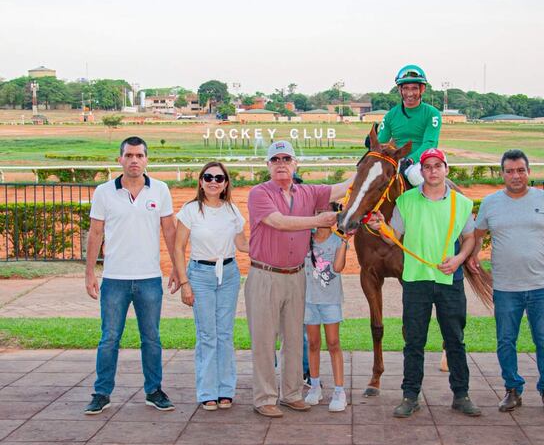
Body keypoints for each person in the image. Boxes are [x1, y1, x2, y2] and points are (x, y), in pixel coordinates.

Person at [367, 148, 481, 418]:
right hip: (416, 280)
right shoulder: (406, 201)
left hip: (449, 278)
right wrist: (380, 227)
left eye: (437, 166)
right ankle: (410, 396)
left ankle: (461, 395)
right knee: (414, 342)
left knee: (455, 339)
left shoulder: (460, 203)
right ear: (422, 171)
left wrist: (460, 259)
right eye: (427, 166)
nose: (432, 171)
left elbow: (469, 238)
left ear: (446, 170)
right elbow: (393, 236)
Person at [246, 140, 351, 418]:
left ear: (295, 164)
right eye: (276, 159)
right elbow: (278, 221)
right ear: (268, 165)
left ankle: (292, 393)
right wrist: (318, 221)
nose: (281, 163)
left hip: (296, 275)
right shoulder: (259, 193)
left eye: (286, 159)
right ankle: (265, 397)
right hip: (265, 275)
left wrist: (372, 165)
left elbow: (342, 188)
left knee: (294, 338)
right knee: (265, 339)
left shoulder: (307, 193)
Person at [469, 149, 544, 415]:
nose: (515, 176)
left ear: (528, 172)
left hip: (541, 286)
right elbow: (477, 234)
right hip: (505, 288)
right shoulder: (491, 203)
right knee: (506, 341)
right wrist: (473, 257)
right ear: (502, 173)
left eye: (520, 170)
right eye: (509, 171)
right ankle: (512, 389)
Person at [84, 136, 178, 414]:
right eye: (129, 155)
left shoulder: (160, 190)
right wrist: (90, 272)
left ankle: (154, 390)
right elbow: (96, 233)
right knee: (109, 337)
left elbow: (169, 231)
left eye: (139, 155)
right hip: (114, 279)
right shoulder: (104, 192)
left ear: (146, 159)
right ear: (120, 160)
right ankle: (102, 392)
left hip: (149, 278)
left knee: (151, 337)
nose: (134, 160)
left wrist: (176, 267)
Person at [173, 162, 248, 411]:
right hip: (201, 275)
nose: (213, 181)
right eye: (208, 177)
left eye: (219, 177)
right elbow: (178, 248)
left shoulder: (232, 211)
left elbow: (243, 244)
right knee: (207, 334)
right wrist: (185, 283)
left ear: (226, 183)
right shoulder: (191, 211)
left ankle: (226, 389)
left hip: (228, 274)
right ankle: (207, 391)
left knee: (225, 334)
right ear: (201, 181)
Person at [303, 210, 349, 412]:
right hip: (308, 300)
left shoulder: (337, 240)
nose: (326, 219)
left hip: (330, 301)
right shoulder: (305, 240)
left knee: (333, 343)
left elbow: (338, 267)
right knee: (313, 343)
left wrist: (345, 243)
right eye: (320, 214)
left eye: (330, 215)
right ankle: (314, 386)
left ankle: (339, 391)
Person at [377, 64, 442, 187]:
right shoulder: (390, 115)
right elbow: (381, 142)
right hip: (398, 160)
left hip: (426, 159)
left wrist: (410, 160)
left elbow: (430, 143)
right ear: (399, 90)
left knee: (414, 175)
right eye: (406, 88)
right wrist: (372, 142)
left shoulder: (432, 113)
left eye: (414, 88)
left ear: (422, 89)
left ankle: (429, 205)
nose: (410, 93)